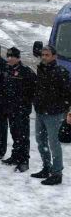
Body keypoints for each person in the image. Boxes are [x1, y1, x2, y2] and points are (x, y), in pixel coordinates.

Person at [31, 46, 71, 185]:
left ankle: (57, 173)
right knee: (41, 141)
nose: (44, 57)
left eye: (47, 55)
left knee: (54, 144)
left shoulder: (61, 72)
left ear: (54, 56)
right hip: (40, 112)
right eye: (43, 54)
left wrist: (66, 110)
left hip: (54, 114)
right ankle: (46, 167)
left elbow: (68, 93)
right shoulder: (41, 69)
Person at [0, 47, 36, 173]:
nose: (9, 59)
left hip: (21, 109)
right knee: (14, 134)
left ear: (18, 58)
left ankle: (24, 161)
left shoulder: (26, 72)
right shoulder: (6, 70)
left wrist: (25, 104)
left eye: (12, 56)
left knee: (23, 136)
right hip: (10, 109)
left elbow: (33, 90)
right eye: (8, 56)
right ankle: (15, 156)